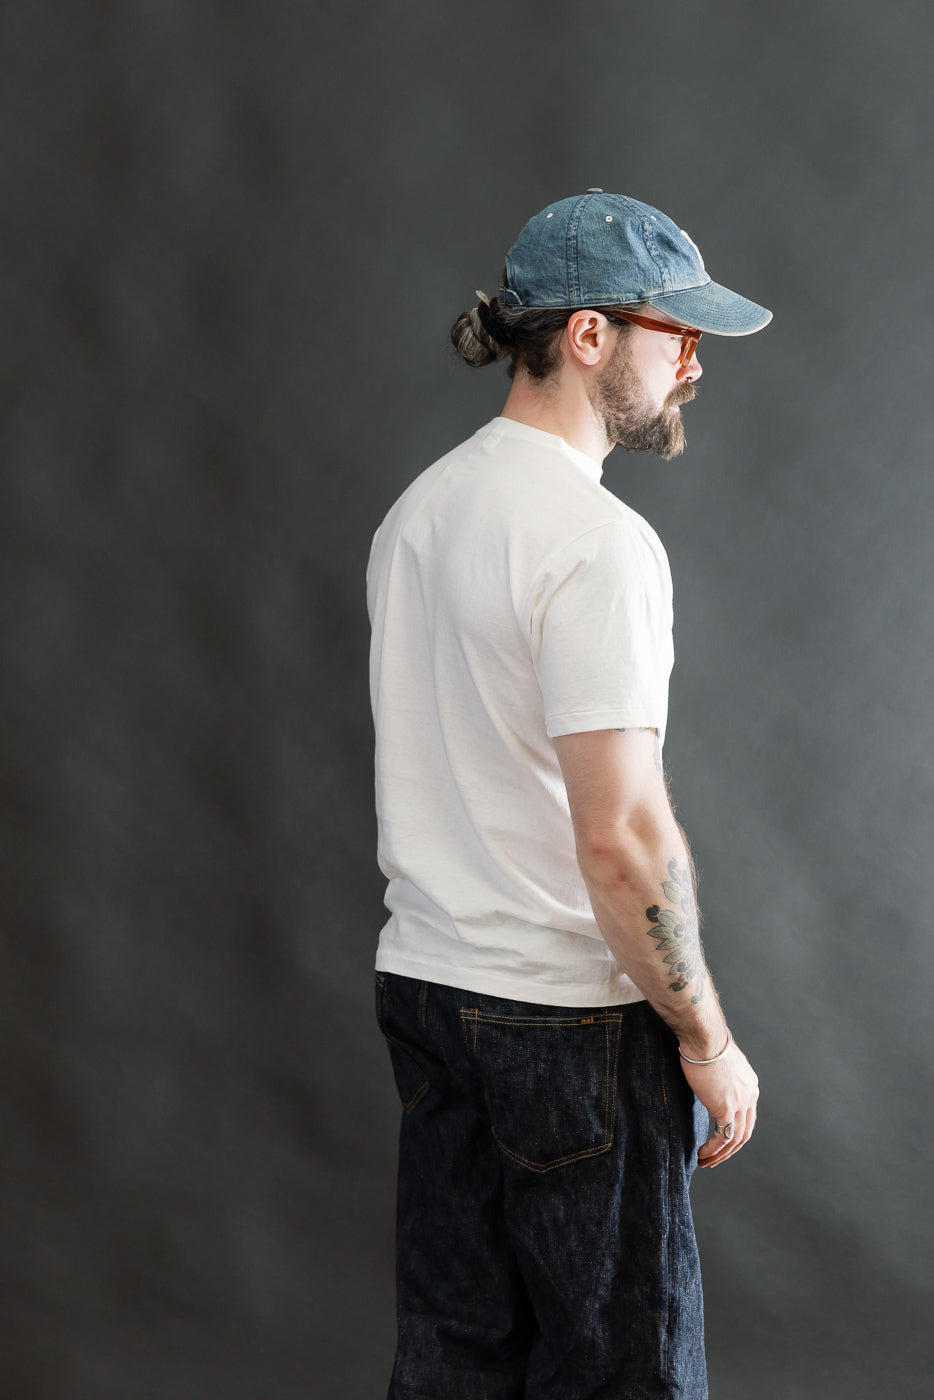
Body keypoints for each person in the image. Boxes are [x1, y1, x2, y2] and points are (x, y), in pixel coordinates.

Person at [367, 189, 770, 1400]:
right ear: (589, 334)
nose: (692, 363)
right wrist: (706, 1040)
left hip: (429, 990)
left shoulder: (419, 513)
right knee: (623, 1376)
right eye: (675, 332)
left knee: (456, 1362)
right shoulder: (596, 543)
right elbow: (623, 837)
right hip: (568, 1024)